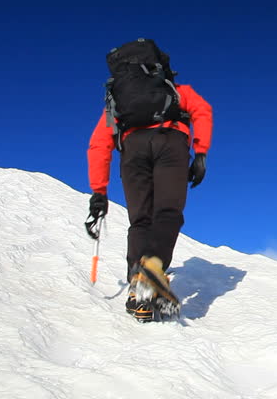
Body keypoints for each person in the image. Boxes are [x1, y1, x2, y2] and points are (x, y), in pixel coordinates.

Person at [86, 41, 212, 321]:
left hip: (132, 150)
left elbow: (99, 145)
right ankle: (153, 269)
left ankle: (137, 287)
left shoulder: (117, 102)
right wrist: (200, 153)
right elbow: (202, 111)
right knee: (167, 211)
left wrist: (99, 192)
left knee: (140, 220)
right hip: (170, 142)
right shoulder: (176, 91)